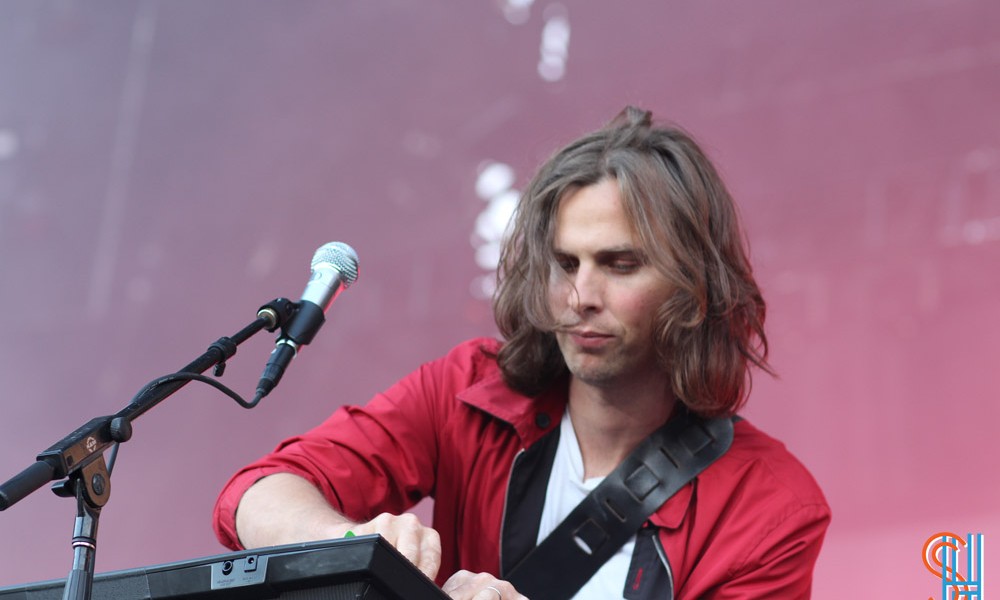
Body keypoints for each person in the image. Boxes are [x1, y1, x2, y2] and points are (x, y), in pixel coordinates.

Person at [213, 106, 831, 599]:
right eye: (565, 264)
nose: (581, 296)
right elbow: (253, 495)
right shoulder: (466, 389)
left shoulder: (773, 507)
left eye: (619, 264)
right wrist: (347, 543)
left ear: (696, 284)